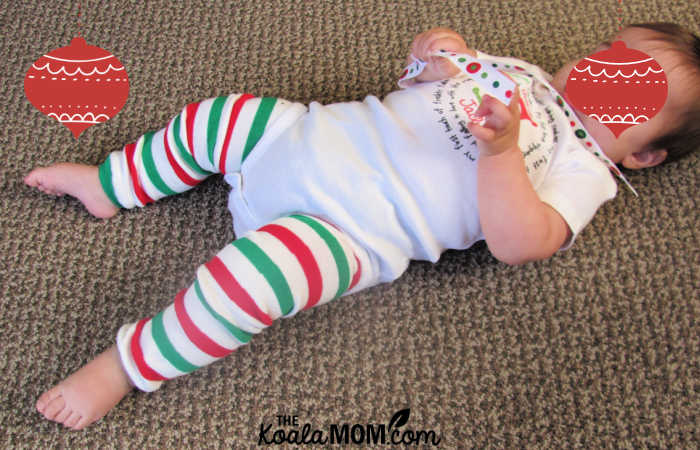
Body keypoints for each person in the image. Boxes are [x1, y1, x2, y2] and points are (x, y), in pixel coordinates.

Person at [24, 23, 700, 430]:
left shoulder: (586, 169)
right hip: (300, 137)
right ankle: (114, 184)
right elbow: (416, 88)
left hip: (342, 231)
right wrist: (435, 57)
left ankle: (125, 366)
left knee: (244, 287)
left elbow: (521, 242)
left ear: (641, 153)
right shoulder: (519, 73)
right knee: (220, 116)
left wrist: (501, 154)